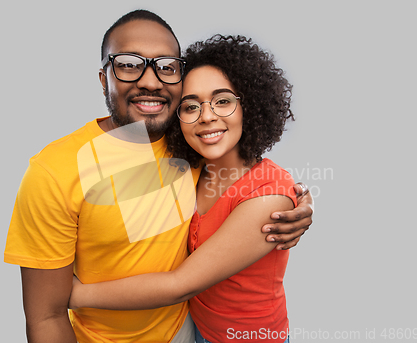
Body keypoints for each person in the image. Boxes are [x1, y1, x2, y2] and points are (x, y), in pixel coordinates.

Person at [4, 10, 313, 343]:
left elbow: (245, 175)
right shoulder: (54, 171)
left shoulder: (186, 145)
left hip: (190, 330)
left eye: (166, 66)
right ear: (103, 77)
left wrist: (294, 201)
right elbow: (45, 317)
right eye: (127, 63)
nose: (150, 81)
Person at [68, 34, 298, 343]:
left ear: (250, 106)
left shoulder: (268, 196)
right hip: (192, 327)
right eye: (190, 107)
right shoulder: (191, 169)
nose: (206, 116)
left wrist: (75, 294)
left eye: (223, 101)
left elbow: (181, 284)